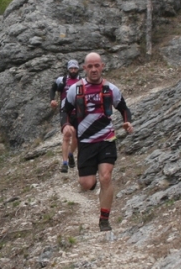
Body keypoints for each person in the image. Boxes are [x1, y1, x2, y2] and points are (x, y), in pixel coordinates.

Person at [63, 52, 134, 232]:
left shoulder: (111, 89)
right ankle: (92, 183)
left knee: (106, 176)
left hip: (106, 139)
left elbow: (124, 108)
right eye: (90, 66)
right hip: (86, 142)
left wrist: (127, 122)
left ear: (102, 66)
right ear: (84, 68)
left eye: (97, 66)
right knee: (86, 184)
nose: (94, 69)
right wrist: (65, 125)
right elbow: (65, 111)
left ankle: (104, 219)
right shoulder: (76, 90)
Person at [51, 59, 80, 173]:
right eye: (71, 68)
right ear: (68, 69)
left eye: (75, 68)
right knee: (67, 134)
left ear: (78, 69)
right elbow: (53, 88)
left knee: (76, 138)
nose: (73, 70)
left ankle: (71, 153)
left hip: (78, 112)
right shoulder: (62, 80)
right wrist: (52, 99)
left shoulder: (82, 81)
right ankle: (64, 163)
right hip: (65, 111)